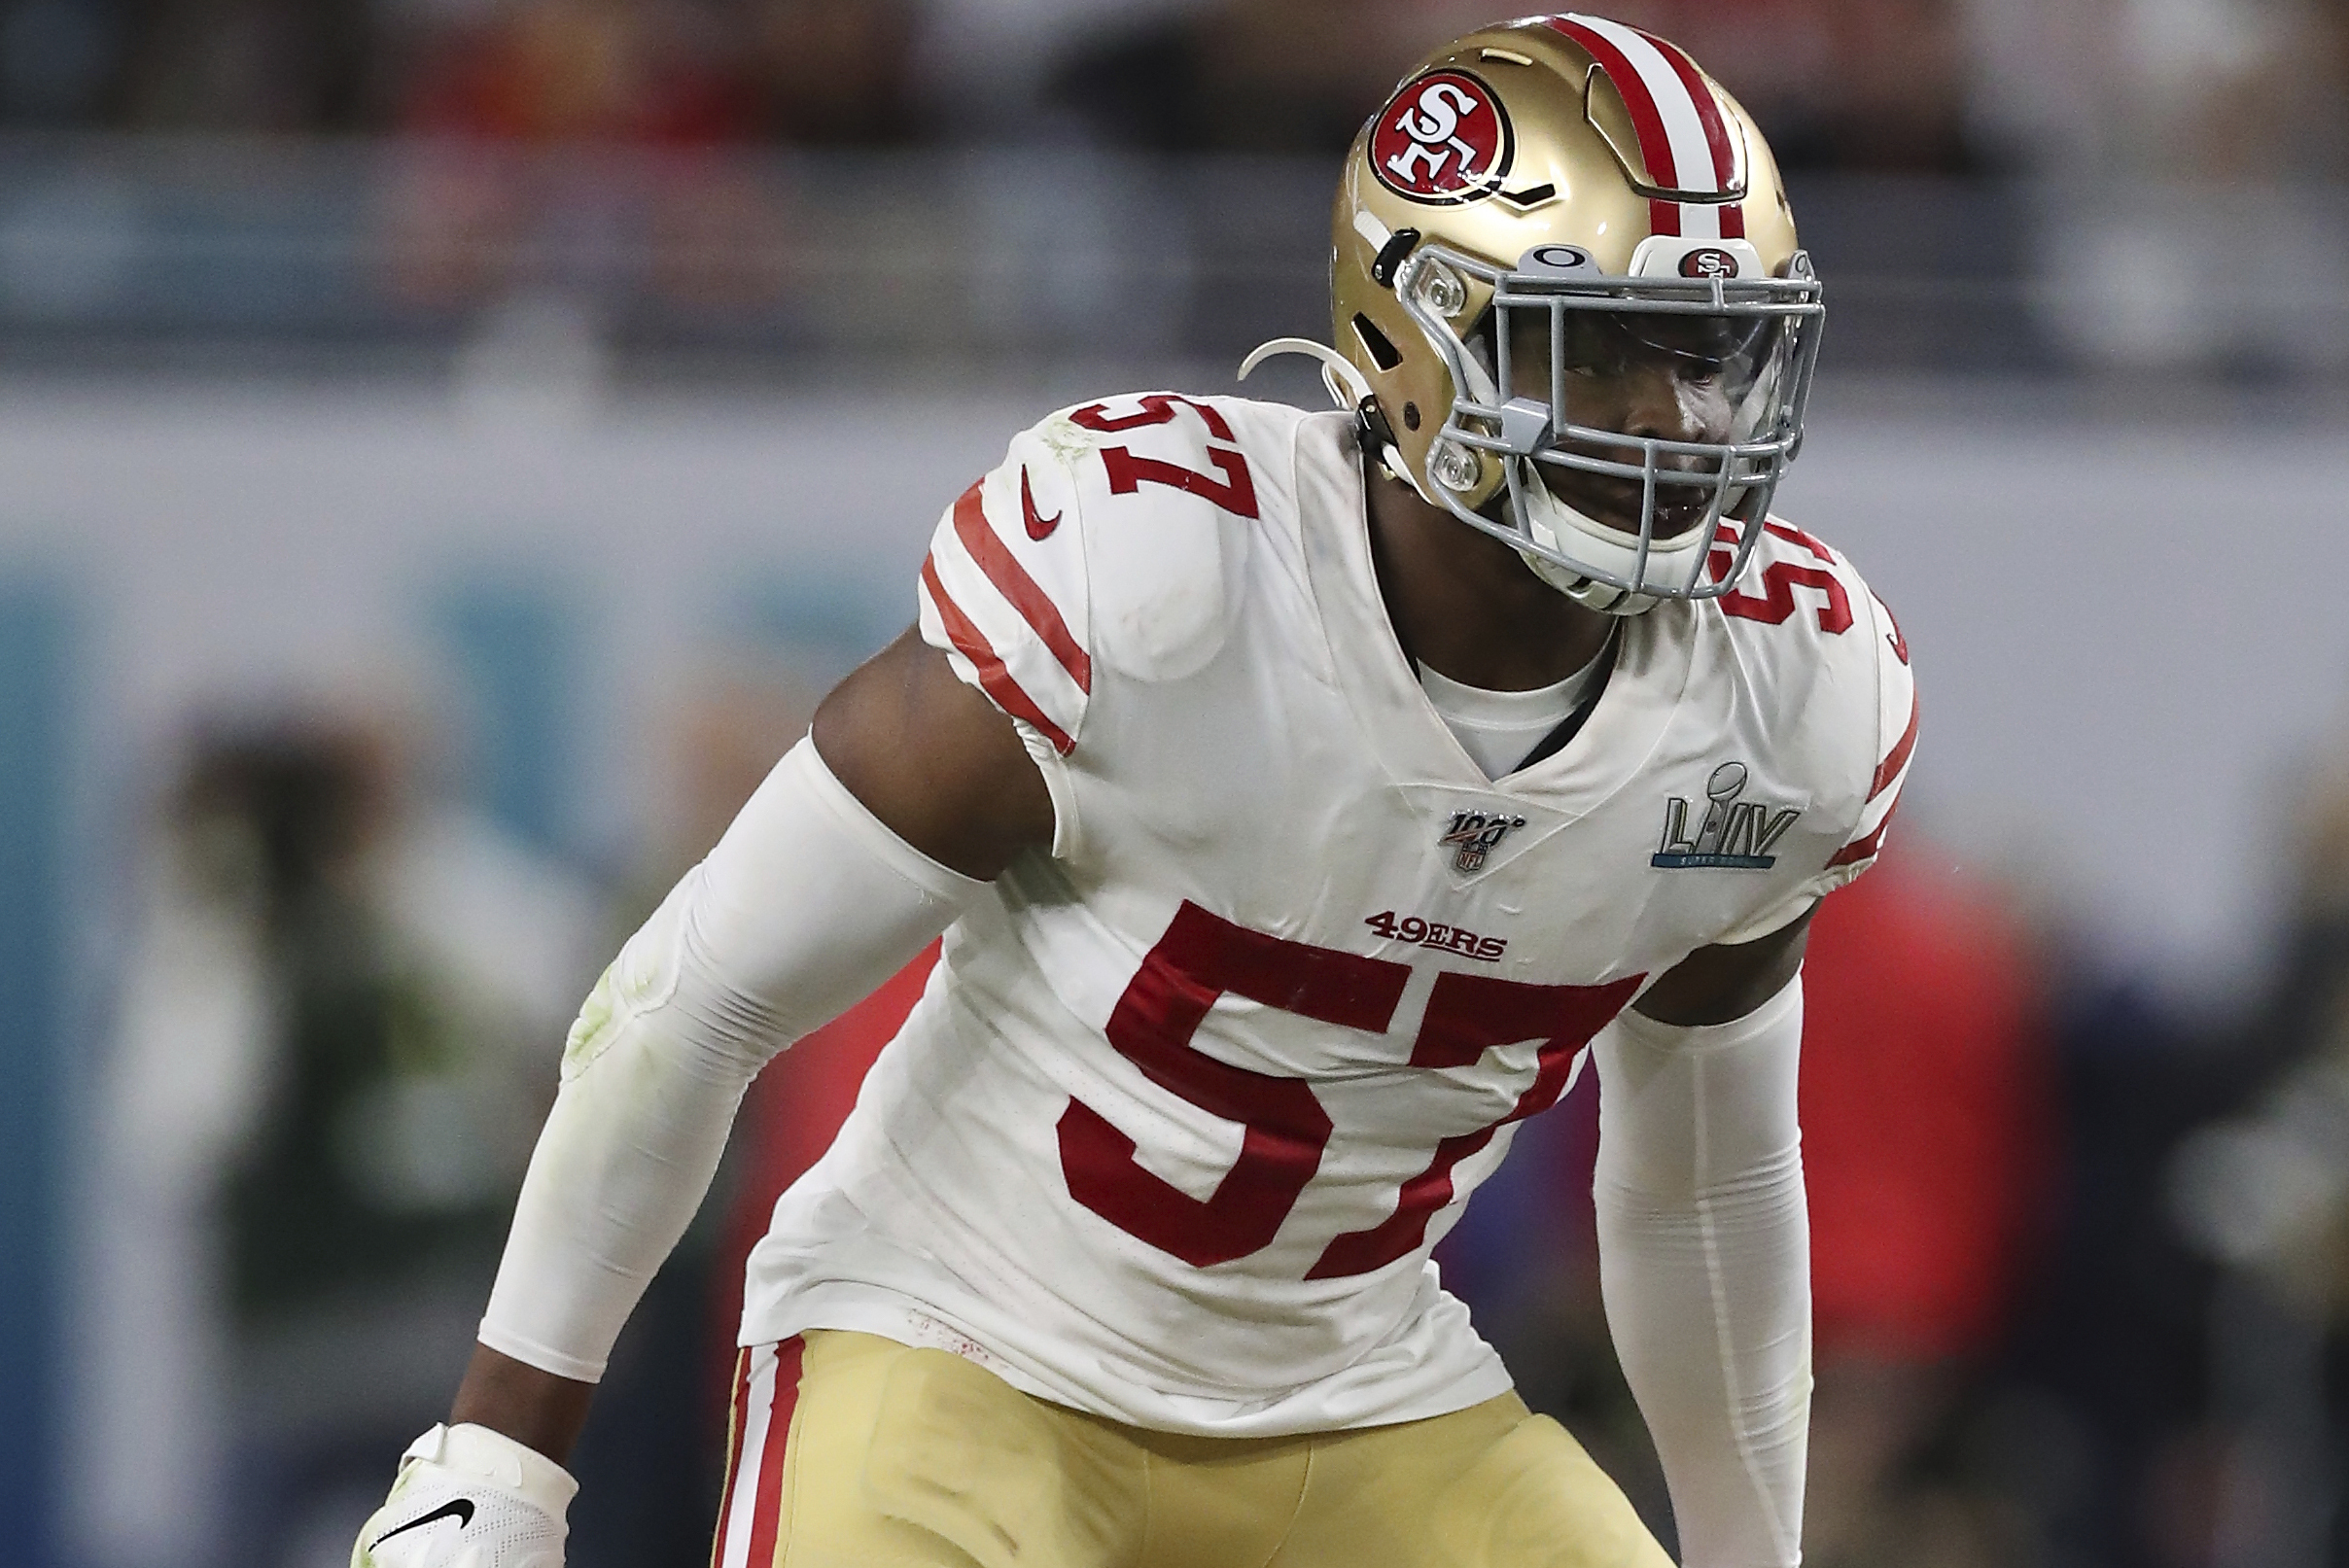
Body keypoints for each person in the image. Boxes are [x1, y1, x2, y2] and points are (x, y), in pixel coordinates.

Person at [350, 14, 1914, 1567]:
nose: (1679, 418)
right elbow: (704, 994)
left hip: (1360, 1396)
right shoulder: (1158, 580)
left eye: (1714, 351)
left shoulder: (1780, 702)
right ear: (1422, 334)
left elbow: (1704, 1190)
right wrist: (495, 1453)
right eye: (1606, 344)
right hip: (961, 1342)